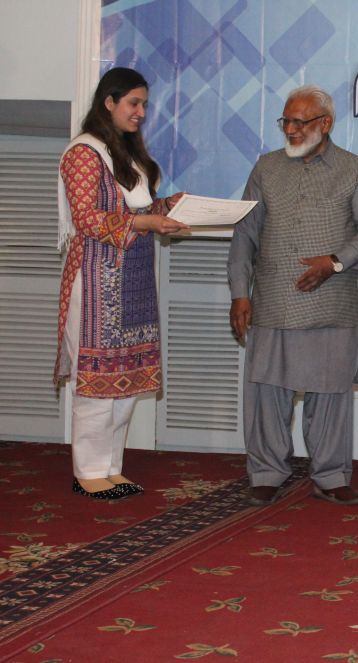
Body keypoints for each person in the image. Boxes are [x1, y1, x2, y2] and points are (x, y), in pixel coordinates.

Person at [228, 85, 358, 507]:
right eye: (286, 121)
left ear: (325, 123)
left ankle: (331, 476)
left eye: (300, 122)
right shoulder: (266, 168)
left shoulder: (353, 169)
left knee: (331, 393)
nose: (291, 130)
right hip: (272, 302)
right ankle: (266, 473)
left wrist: (334, 262)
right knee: (266, 392)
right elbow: (244, 235)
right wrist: (240, 294)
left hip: (330, 303)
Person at [56, 67, 188, 500]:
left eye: (145, 104)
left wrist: (175, 207)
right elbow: (87, 219)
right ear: (108, 102)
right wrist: (147, 221)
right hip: (96, 285)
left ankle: (111, 467)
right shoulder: (83, 152)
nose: (141, 112)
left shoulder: (127, 155)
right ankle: (88, 471)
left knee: (126, 382)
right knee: (97, 382)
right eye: (134, 103)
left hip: (134, 284)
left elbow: (141, 210)